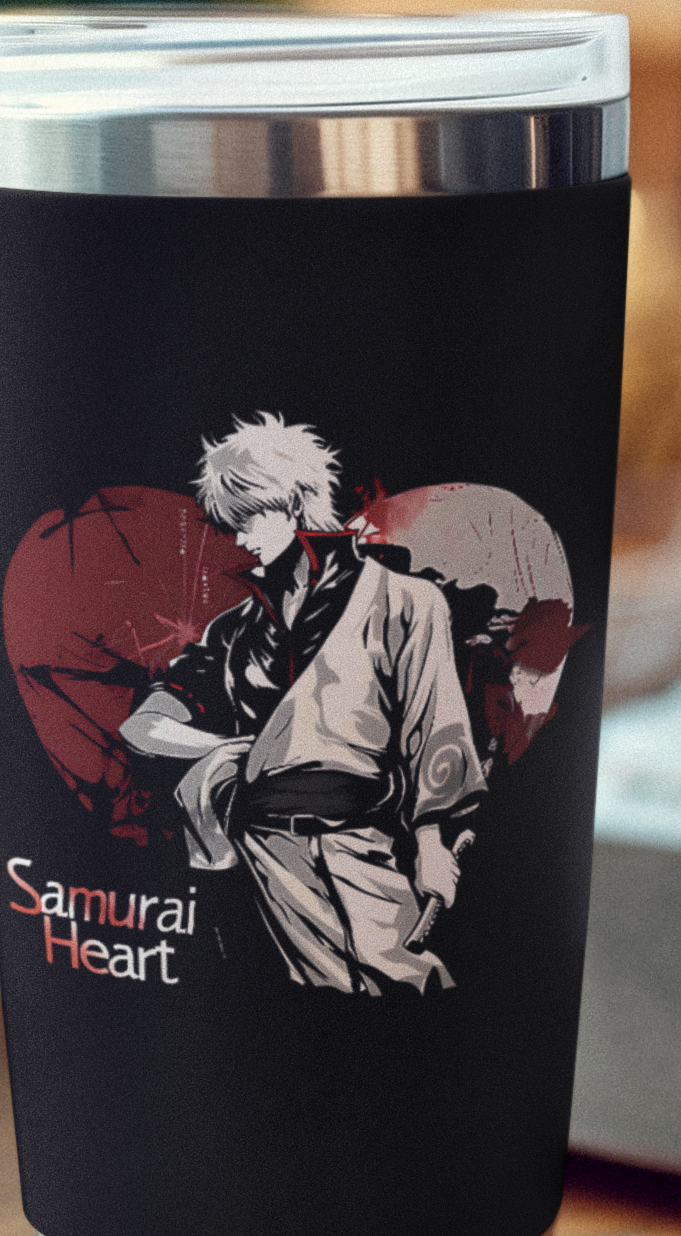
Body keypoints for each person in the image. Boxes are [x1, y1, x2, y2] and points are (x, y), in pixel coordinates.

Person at [119, 414, 486, 993]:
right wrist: (229, 746)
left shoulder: (404, 602)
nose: (239, 538)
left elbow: (435, 724)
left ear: (294, 504)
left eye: (250, 517)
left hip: (359, 835)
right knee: (309, 997)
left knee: (405, 981)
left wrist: (432, 842)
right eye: (229, 523)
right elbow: (143, 725)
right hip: (262, 844)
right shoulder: (238, 630)